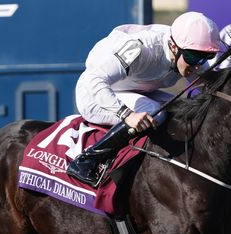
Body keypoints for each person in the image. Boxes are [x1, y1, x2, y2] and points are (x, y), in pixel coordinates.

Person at [67, 12, 221, 187]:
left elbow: (211, 85)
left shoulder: (189, 50)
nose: (198, 64)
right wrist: (127, 114)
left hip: (135, 90)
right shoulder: (139, 47)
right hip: (95, 94)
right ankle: (87, 161)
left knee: (180, 109)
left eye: (206, 57)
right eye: (193, 57)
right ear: (173, 46)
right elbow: (93, 80)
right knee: (156, 114)